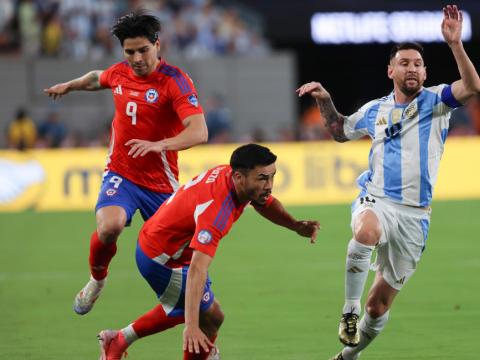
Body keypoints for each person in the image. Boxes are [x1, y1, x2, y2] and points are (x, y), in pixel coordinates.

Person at [297, 5, 480, 360]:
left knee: (378, 307)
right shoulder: (374, 111)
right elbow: (339, 131)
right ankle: (349, 311)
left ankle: (348, 356)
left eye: (417, 64)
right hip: (377, 199)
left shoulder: (438, 101)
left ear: (425, 71)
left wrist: (455, 44)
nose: (412, 68)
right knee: (365, 233)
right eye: (405, 63)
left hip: (415, 216)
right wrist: (325, 100)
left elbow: (473, 86)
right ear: (390, 70)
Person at [44, 10, 208, 315]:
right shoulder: (120, 72)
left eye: (143, 50)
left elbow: (199, 132)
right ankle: (97, 280)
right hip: (122, 173)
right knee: (110, 227)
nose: (136, 58)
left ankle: (202, 323)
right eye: (129, 52)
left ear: (158, 45)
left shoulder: (175, 81)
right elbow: (96, 78)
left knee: (183, 256)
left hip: (161, 184)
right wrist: (70, 85)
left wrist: (159, 145)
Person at [96, 143, 320, 360]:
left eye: (272, 177)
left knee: (209, 316)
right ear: (240, 178)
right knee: (208, 318)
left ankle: (119, 340)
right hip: (162, 259)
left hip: (172, 246)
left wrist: (295, 225)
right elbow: (198, 268)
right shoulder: (216, 212)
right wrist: (191, 327)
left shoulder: (232, 177)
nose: (269, 185)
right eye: (262, 178)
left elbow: (265, 202)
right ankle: (118, 340)